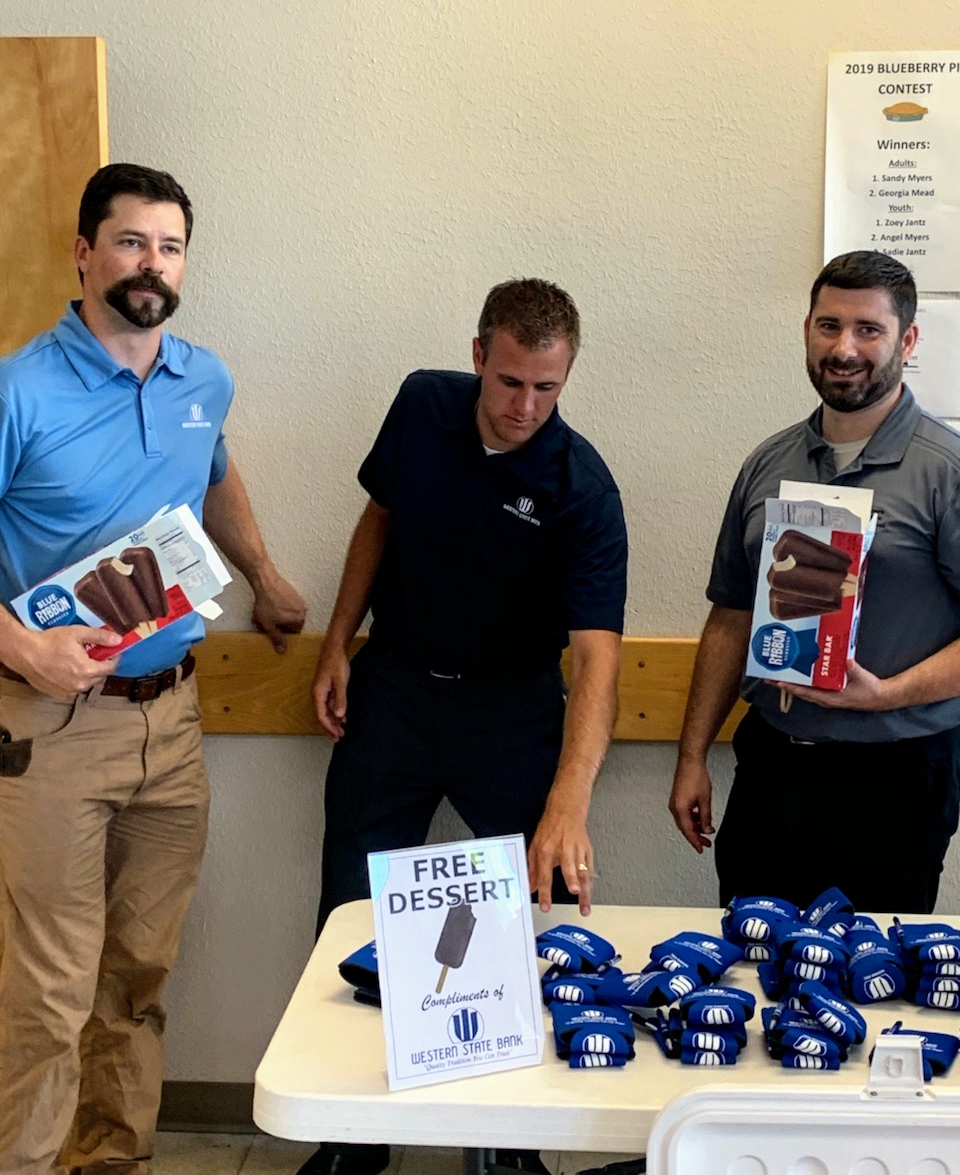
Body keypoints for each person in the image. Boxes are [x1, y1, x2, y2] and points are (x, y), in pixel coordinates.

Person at [0, 163, 306, 1175]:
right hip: (49, 726)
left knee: (137, 975)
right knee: (45, 995)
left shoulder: (202, 378)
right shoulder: (17, 388)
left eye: (169, 246)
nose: (151, 264)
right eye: (131, 241)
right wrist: (21, 643)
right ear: (84, 252)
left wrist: (261, 572)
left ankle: (114, 1160)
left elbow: (216, 474)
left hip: (170, 724)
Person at [302, 278, 627, 1175]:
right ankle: (351, 1144)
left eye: (547, 388)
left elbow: (598, 659)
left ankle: (510, 1147)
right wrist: (338, 646)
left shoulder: (581, 486)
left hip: (512, 712)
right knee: (347, 917)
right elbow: (379, 519)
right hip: (396, 694)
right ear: (479, 357)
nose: (526, 406)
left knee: (528, 927)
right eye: (512, 381)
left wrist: (569, 805)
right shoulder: (422, 402)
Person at [669, 249, 960, 914]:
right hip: (775, 768)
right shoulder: (767, 465)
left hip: (898, 779)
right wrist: (691, 757)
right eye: (828, 326)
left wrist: (882, 694)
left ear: (907, 341)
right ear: (806, 330)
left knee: (868, 992)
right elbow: (729, 616)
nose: (845, 348)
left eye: (868, 330)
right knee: (753, 966)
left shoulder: (946, 471)